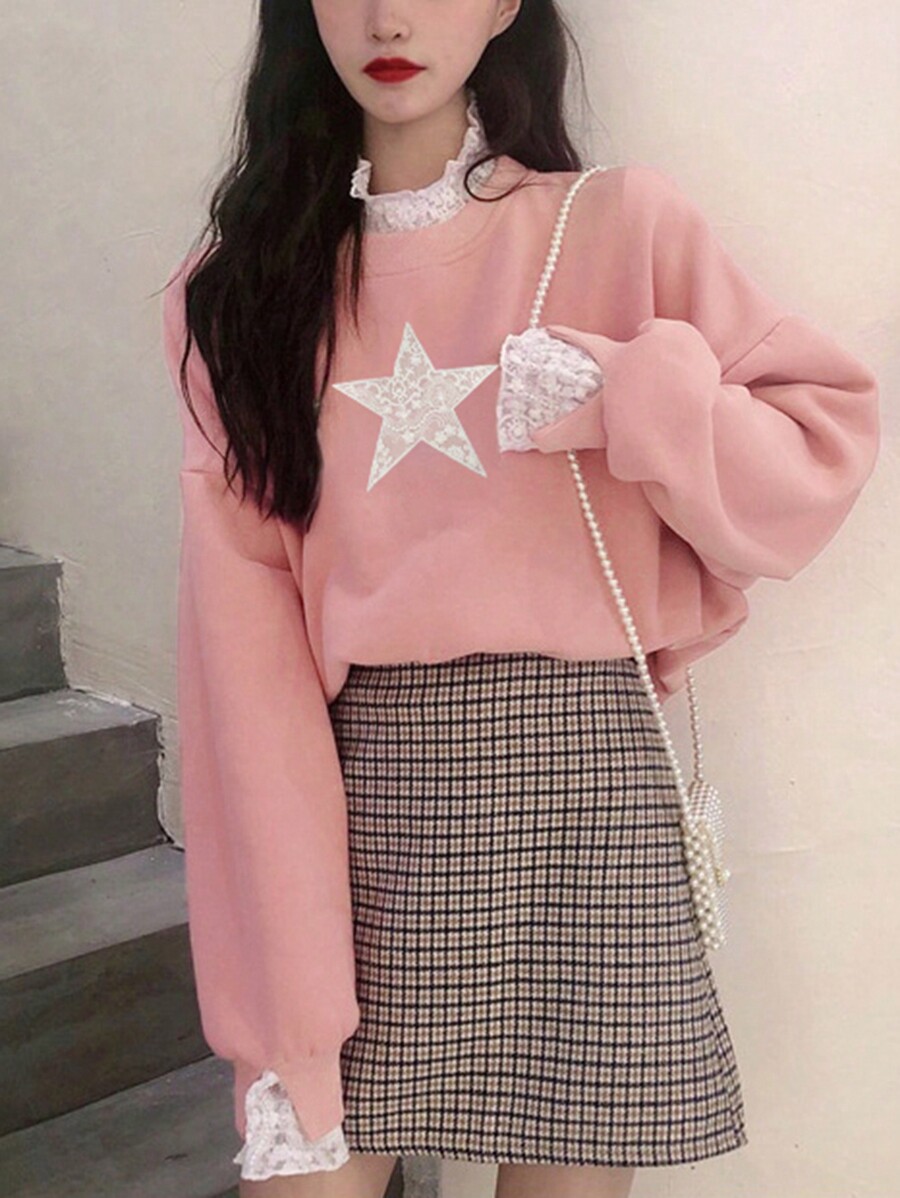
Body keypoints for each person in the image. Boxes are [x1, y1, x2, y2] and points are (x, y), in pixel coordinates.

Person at [160, 2, 881, 1196]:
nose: (390, 16)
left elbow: (821, 445)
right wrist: (281, 1009)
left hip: (590, 795)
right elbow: (243, 668)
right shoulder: (237, 296)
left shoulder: (618, 224)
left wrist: (627, 393)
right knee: (307, 1161)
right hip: (358, 811)